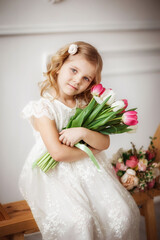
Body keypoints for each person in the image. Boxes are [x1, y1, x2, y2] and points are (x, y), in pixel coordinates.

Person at [19, 41, 140, 240]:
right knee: (81, 221)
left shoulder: (85, 105)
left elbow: (104, 143)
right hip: (54, 174)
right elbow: (57, 153)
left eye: (86, 78)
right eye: (73, 70)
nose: (77, 80)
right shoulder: (44, 108)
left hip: (88, 171)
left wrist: (83, 133)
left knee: (122, 213)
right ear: (59, 67)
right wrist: (91, 150)